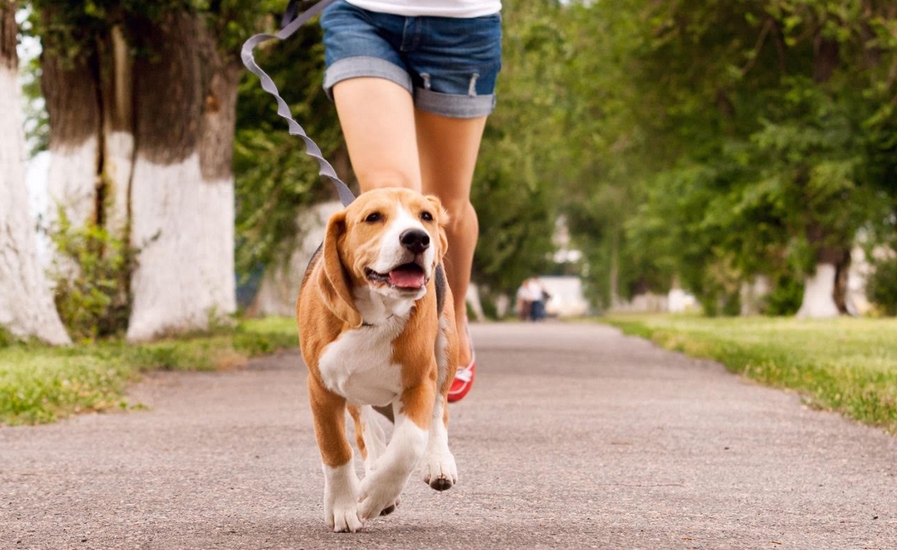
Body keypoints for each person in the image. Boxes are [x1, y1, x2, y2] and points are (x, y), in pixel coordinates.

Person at [319, 0, 502, 402]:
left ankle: (452, 316)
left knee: (444, 207)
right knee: (389, 192)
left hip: (463, 25)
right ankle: (392, 344)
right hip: (362, 15)